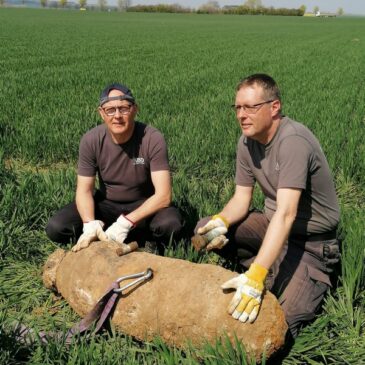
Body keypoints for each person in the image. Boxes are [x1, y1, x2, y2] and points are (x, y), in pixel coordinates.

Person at [195, 74, 340, 338]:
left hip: (311, 244)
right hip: (273, 227)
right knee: (204, 228)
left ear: (275, 108)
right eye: (237, 107)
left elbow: (286, 214)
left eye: (250, 107)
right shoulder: (246, 142)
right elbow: (241, 199)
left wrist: (256, 275)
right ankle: (271, 266)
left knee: (280, 324)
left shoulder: (293, 141)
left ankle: (287, 273)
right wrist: (222, 221)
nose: (241, 115)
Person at [46, 83, 183, 253]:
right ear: (101, 113)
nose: (117, 116)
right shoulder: (91, 140)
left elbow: (163, 196)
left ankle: (147, 242)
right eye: (110, 110)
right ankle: (95, 235)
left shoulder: (152, 138)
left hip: (144, 206)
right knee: (56, 227)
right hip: (107, 204)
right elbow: (84, 190)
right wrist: (89, 223)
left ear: (135, 109)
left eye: (124, 108)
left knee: (170, 225)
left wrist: (126, 222)